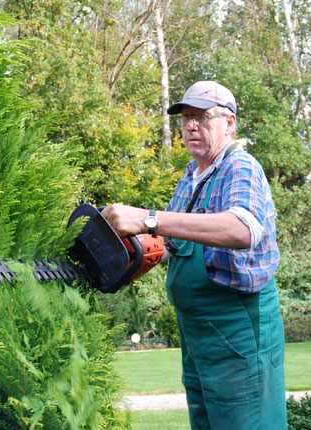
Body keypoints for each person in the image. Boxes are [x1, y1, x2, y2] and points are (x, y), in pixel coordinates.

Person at [102, 81, 286, 430]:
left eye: (201, 117)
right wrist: (115, 256)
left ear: (229, 122)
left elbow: (241, 229)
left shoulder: (240, 167)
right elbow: (167, 244)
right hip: (197, 335)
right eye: (185, 118)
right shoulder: (191, 176)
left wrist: (146, 217)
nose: (190, 126)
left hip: (239, 332)